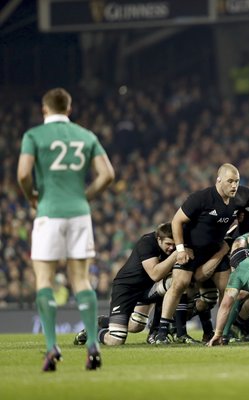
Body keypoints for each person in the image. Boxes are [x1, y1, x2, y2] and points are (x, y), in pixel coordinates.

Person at [17, 87, 115, 371]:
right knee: (81, 279)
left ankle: (51, 347)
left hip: (49, 212)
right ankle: (93, 346)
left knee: (44, 280)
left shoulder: (34, 136)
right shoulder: (86, 136)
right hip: (79, 214)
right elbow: (107, 174)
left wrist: (33, 197)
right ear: (69, 110)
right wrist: (86, 196)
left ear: (44, 109)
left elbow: (23, 174)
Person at [154, 163, 244, 344]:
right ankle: (161, 333)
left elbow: (240, 220)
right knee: (180, 284)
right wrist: (180, 249)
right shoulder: (201, 198)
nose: (234, 186)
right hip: (191, 251)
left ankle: (223, 333)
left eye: (237, 181)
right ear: (219, 180)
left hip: (215, 252)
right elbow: (177, 221)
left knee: (227, 290)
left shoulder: (237, 202)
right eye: (230, 181)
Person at [73, 223, 178, 346]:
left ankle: (155, 333)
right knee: (116, 340)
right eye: (168, 244)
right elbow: (155, 274)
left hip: (147, 289)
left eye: (174, 245)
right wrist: (176, 255)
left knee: (137, 324)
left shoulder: (173, 246)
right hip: (126, 288)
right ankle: (94, 330)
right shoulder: (147, 243)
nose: (172, 248)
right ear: (159, 239)